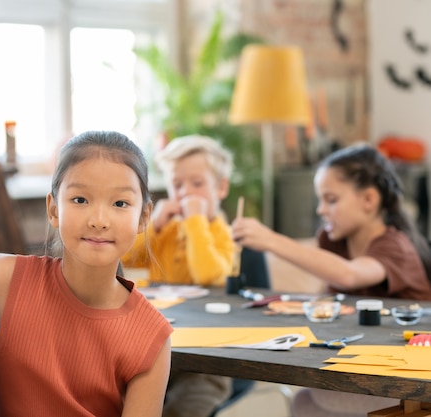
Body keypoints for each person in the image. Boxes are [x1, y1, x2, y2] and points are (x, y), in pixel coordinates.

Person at [0, 130, 174, 417]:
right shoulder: (11, 279)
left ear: (143, 217)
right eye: (80, 200)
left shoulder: (152, 337)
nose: (99, 220)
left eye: (120, 203)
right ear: (54, 208)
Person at [232, 143, 431, 417]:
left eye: (331, 200)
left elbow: (349, 274)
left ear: (369, 200)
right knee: (305, 401)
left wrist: (271, 240)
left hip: (406, 375)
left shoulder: (395, 246)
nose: (320, 210)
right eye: (320, 200)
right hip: (362, 362)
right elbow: (333, 294)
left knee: (316, 398)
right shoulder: (333, 240)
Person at [121, 135, 235, 417]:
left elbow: (209, 275)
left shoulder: (221, 233)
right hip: (154, 346)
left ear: (221, 188)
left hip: (206, 357)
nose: (185, 193)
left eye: (197, 184)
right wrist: (152, 227)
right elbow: (124, 258)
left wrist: (196, 220)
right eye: (177, 185)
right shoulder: (166, 230)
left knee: (185, 407)